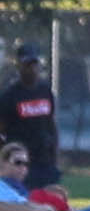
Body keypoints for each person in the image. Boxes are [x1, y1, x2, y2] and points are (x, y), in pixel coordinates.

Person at [6, 52, 57, 190]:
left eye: (34, 65)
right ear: (19, 66)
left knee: (47, 198)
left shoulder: (45, 91)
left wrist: (55, 154)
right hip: (21, 161)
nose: (32, 69)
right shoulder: (10, 95)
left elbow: (51, 124)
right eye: (27, 65)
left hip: (44, 159)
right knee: (24, 198)